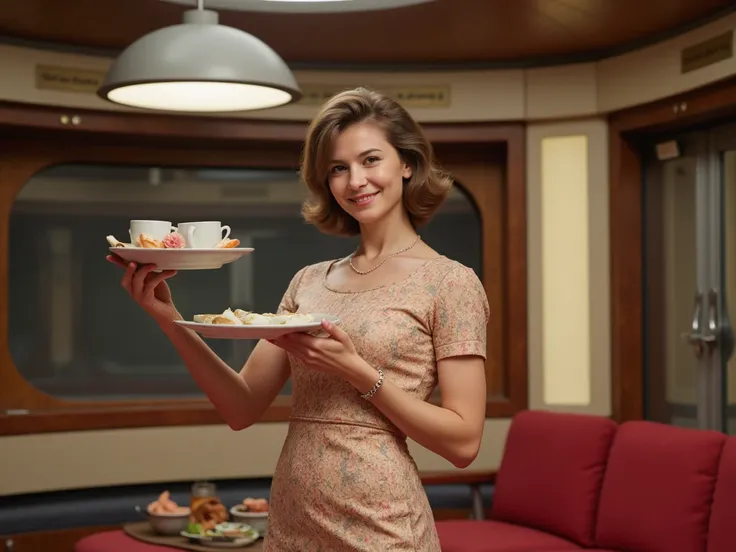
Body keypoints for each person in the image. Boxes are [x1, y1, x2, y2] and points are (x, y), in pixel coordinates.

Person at [107, 87, 490, 551]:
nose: (356, 181)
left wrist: (358, 370)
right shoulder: (308, 282)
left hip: (383, 523)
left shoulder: (451, 283)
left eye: (371, 160)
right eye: (338, 168)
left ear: (406, 164)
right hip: (292, 517)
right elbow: (241, 407)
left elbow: (464, 443)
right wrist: (171, 321)